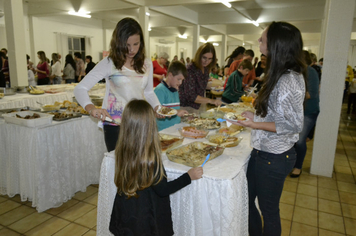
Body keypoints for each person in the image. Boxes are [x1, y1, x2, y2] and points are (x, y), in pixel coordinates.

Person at [235, 21, 306, 236]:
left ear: (276, 44)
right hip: (264, 153)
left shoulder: (288, 80)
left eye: (263, 38)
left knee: (269, 211)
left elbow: (293, 125)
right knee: (248, 203)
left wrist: (255, 123)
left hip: (273, 157)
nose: (259, 41)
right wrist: (255, 116)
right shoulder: (280, 74)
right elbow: (278, 113)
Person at [109, 99, 203, 236]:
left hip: (127, 212)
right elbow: (163, 190)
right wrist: (188, 176)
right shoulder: (149, 158)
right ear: (150, 127)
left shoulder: (122, 149)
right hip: (147, 216)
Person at [74, 18, 163, 152]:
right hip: (115, 125)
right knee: (120, 168)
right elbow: (80, 88)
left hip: (140, 123)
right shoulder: (109, 63)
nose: (131, 50)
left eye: (136, 44)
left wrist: (158, 107)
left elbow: (149, 92)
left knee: (140, 167)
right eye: (127, 45)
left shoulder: (146, 63)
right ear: (118, 42)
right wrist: (92, 108)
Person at [290, 50, 319, 178]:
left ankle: (298, 166)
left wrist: (290, 95)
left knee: (300, 140)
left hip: (308, 111)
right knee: (292, 139)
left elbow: (310, 94)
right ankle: (291, 162)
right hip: (296, 111)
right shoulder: (294, 73)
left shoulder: (311, 72)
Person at [179, 43, 222, 113]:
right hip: (186, 106)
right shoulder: (190, 69)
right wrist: (211, 101)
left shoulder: (205, 68)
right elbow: (191, 96)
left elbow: (200, 85)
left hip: (198, 104)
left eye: (210, 59)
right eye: (204, 58)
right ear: (199, 56)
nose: (206, 61)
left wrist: (214, 87)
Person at [155, 61, 189, 131]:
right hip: (163, 131)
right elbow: (156, 111)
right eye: (178, 79)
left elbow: (174, 110)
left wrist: (184, 116)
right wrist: (176, 112)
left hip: (175, 129)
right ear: (170, 75)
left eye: (182, 80)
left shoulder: (175, 89)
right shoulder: (160, 90)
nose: (180, 83)